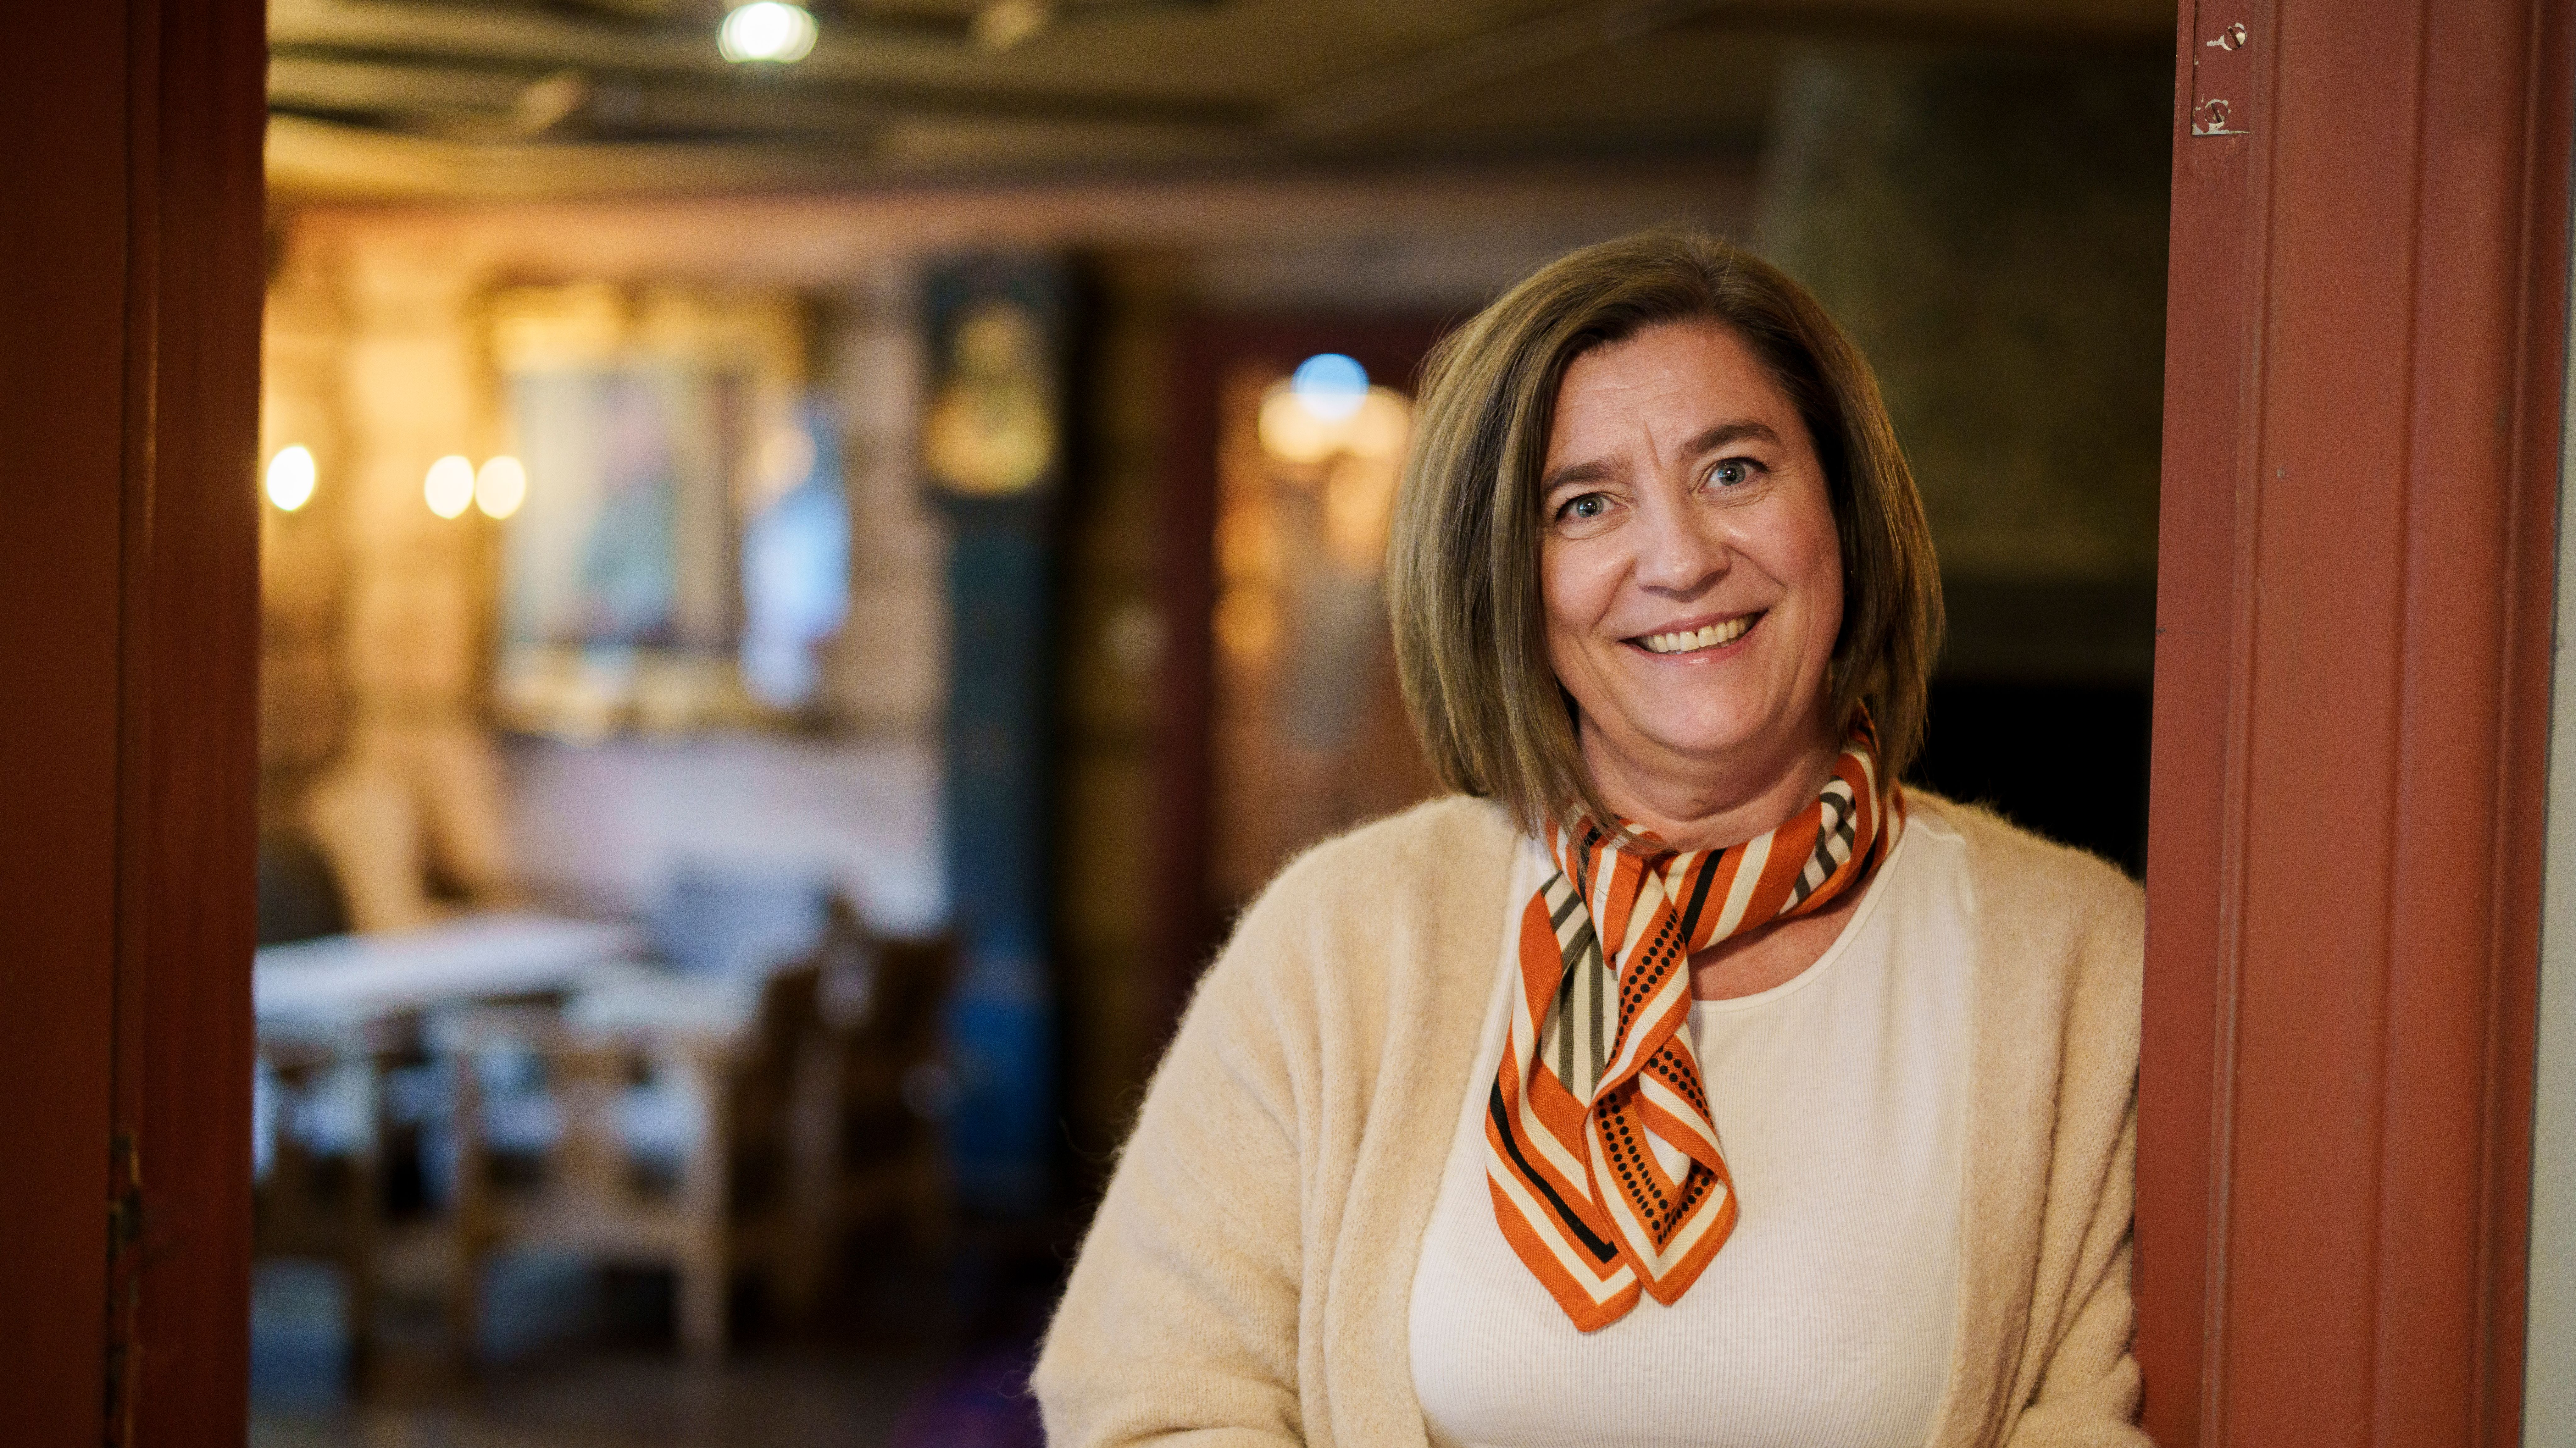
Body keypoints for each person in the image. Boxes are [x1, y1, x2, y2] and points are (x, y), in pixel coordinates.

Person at [1034, 227, 2144, 1447]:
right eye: (1584, 505)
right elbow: (1145, 1402)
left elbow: (2093, 1418)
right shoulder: (1340, 942)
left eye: (1733, 471)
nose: (1678, 559)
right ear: (1507, 577)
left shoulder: (2079, 964)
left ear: (1841, 507)